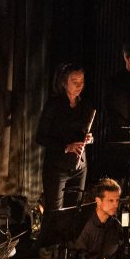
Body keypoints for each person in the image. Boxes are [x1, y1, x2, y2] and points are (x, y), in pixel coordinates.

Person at [36, 63, 95, 216]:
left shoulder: (85, 105)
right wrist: (66, 147)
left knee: (75, 212)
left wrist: (89, 138)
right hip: (57, 168)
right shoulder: (53, 105)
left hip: (80, 167)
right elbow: (40, 137)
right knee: (54, 214)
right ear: (63, 82)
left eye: (82, 81)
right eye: (74, 81)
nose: (79, 85)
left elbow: (86, 134)